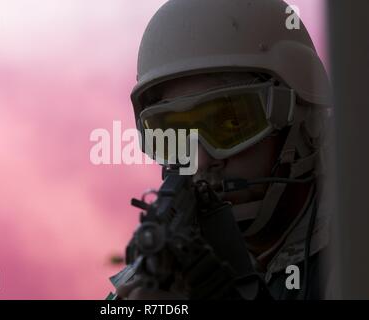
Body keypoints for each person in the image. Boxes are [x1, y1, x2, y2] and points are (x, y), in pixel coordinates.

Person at [109, 0, 332, 300]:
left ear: (305, 123)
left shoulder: (353, 246)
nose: (201, 160)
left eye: (231, 123)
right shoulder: (167, 263)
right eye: (175, 134)